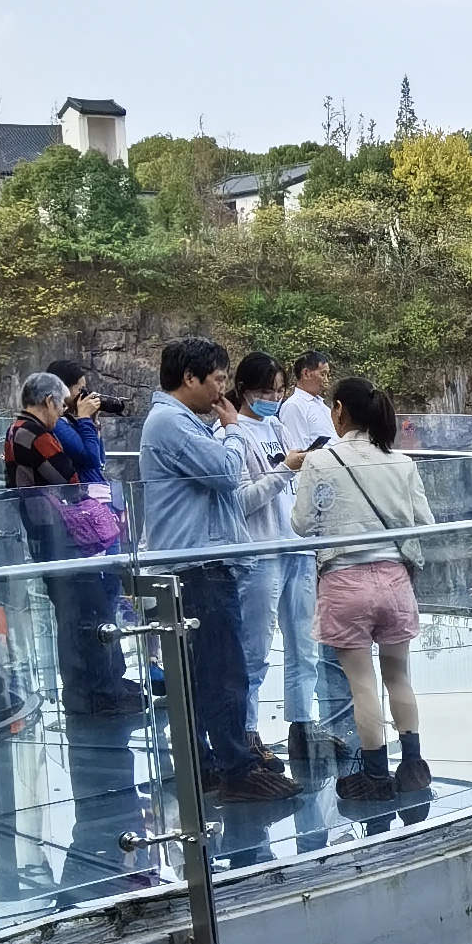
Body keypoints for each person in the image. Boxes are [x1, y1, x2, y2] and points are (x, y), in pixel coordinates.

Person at [137, 339, 293, 802]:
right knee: (224, 670)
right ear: (190, 378)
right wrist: (233, 430)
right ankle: (237, 769)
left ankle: (206, 763)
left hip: (197, 560)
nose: (223, 390)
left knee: (205, 672)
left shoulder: (180, 421)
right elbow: (226, 473)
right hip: (198, 563)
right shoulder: (171, 422)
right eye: (218, 379)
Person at [291, 372, 436, 812]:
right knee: (398, 676)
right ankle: (412, 766)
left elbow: (301, 524)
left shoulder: (320, 461)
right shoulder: (401, 462)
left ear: (339, 411)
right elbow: (424, 522)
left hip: (344, 583)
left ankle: (374, 775)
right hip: (394, 582)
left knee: (362, 684)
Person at [3, 372, 135, 713]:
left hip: (46, 535)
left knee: (73, 615)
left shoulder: (16, 430)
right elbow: (72, 478)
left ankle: (87, 691)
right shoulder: (36, 434)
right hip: (63, 539)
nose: (63, 411)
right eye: (61, 405)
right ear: (48, 400)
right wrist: (84, 423)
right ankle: (101, 693)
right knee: (89, 613)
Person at [272, 352, 341, 776]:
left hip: (310, 522)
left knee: (305, 633)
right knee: (278, 636)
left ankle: (303, 720)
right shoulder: (293, 408)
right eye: (321, 371)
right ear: (304, 374)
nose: (325, 377)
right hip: (287, 524)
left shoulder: (318, 407)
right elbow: (298, 462)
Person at [226, 351, 297, 737]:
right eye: (267, 391)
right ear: (243, 390)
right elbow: (240, 501)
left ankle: (302, 724)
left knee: (303, 644)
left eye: (279, 390)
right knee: (254, 649)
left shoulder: (278, 427)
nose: (274, 398)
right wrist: (284, 470)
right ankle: (246, 732)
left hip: (294, 547)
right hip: (260, 552)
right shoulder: (232, 434)